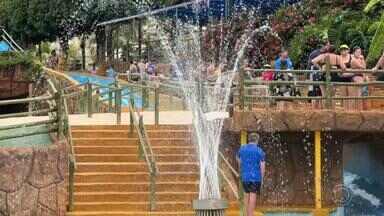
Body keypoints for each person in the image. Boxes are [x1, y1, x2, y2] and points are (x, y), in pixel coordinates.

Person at [237, 133, 266, 216]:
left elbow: (238, 159)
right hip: (255, 178)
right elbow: (262, 166)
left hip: (245, 177)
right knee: (252, 197)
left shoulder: (242, 149)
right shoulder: (259, 150)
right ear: (257, 140)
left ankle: (246, 215)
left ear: (249, 140)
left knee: (246, 196)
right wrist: (262, 179)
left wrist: (240, 170)